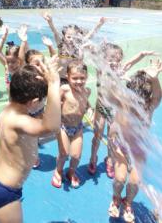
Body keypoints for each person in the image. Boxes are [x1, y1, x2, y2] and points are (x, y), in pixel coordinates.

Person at [0, 56, 61, 223]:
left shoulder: (12, 107)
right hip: (3, 191)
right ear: (33, 102)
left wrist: (42, 70)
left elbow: (22, 80)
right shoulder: (19, 120)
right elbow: (52, 126)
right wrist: (54, 84)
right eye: (43, 101)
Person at [88, 43, 158, 178]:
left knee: (111, 137)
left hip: (114, 109)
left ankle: (109, 160)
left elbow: (131, 62)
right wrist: (92, 48)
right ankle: (93, 157)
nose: (115, 61)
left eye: (118, 59)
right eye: (112, 58)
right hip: (101, 107)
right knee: (97, 134)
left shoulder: (121, 71)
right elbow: (95, 56)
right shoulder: (101, 70)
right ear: (104, 58)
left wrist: (142, 54)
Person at [107, 59, 162, 222]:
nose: (136, 104)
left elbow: (158, 96)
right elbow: (110, 94)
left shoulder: (148, 108)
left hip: (139, 149)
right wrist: (113, 76)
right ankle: (116, 198)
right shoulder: (122, 104)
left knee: (135, 182)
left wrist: (154, 79)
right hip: (121, 147)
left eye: (140, 100)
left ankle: (128, 202)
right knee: (119, 180)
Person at [51, 61, 91, 188]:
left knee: (76, 155)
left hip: (78, 127)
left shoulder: (87, 91)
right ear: (68, 77)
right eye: (75, 78)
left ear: (87, 77)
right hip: (63, 126)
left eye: (82, 78)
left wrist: (89, 109)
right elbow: (53, 102)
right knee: (64, 153)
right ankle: (58, 171)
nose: (79, 81)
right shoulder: (64, 89)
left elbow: (86, 103)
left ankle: (71, 172)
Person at [42, 12, 106, 83]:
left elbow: (91, 34)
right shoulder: (61, 45)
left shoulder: (80, 45)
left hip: (76, 79)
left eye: (74, 37)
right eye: (69, 37)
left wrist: (99, 24)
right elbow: (54, 31)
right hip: (62, 78)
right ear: (64, 37)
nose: (71, 39)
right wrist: (50, 21)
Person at [0, 25, 28, 91]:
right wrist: (4, 36)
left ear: (18, 60)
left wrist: (24, 40)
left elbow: (24, 53)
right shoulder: (6, 65)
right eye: (8, 61)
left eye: (13, 62)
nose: (10, 64)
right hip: (11, 96)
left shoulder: (21, 66)